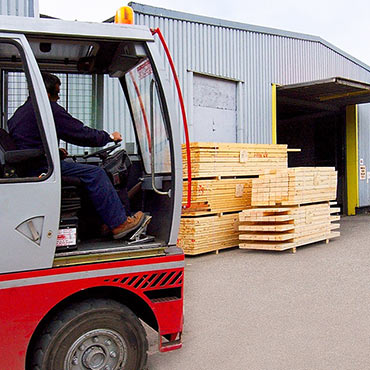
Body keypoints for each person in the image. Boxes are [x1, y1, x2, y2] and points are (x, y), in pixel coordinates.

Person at [7, 72, 145, 240]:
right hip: (43, 168)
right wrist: (108, 137)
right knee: (96, 174)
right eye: (56, 93)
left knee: (88, 174)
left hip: (34, 165)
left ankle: (105, 223)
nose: (58, 98)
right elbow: (80, 133)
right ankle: (119, 224)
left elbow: (28, 143)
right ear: (46, 92)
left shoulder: (19, 114)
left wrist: (54, 153)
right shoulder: (47, 108)